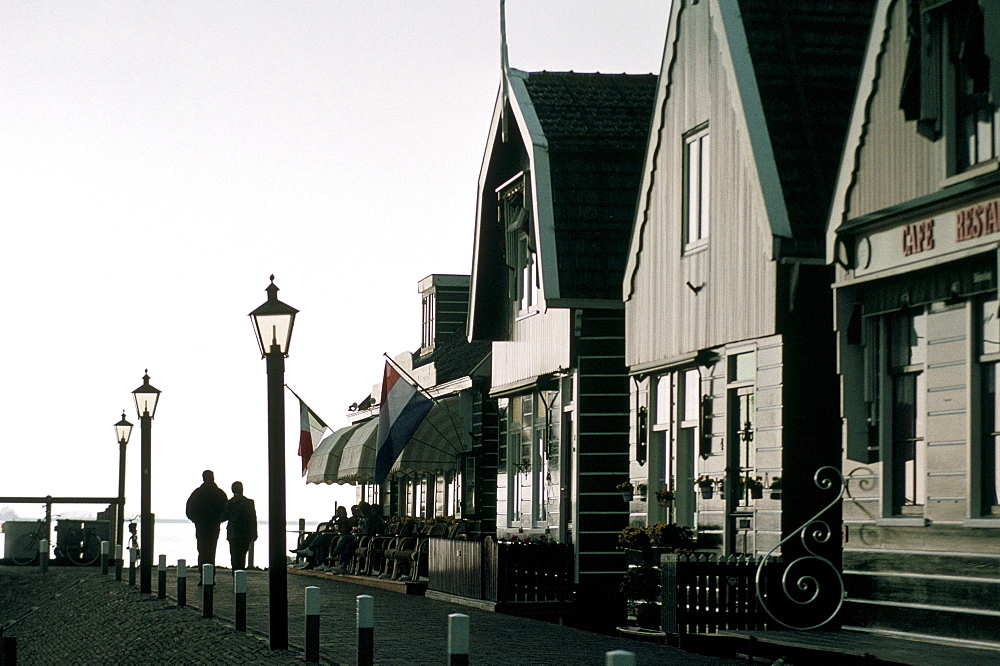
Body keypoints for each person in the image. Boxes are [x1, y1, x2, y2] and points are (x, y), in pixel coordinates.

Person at [185, 470, 228, 581]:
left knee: (202, 549)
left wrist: (196, 520)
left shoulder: (197, 493)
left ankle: (203, 575)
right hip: (214, 525)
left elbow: (189, 509)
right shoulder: (219, 493)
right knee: (211, 549)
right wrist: (220, 519)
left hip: (201, 525)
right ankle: (210, 575)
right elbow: (226, 510)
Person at [221, 481, 257, 574]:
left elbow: (223, 517)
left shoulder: (229, 503)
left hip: (233, 533)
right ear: (242, 489)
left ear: (232, 490)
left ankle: (235, 575)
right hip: (246, 533)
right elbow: (253, 519)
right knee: (242, 556)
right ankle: (241, 573)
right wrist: (254, 534)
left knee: (234, 556)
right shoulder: (249, 503)